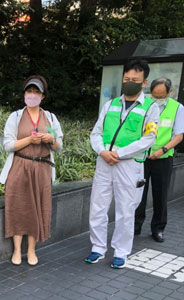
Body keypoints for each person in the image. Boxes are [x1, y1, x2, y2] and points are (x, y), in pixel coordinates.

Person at [85, 59, 159, 269]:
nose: (129, 82)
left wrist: (118, 153)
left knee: (126, 210)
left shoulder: (150, 108)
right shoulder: (110, 105)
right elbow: (96, 132)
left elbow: (148, 139)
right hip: (104, 162)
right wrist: (102, 151)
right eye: (127, 79)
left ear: (144, 82)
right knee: (97, 207)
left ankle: (121, 251)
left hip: (128, 165)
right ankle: (97, 248)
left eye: (135, 80)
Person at [0, 75, 63, 266]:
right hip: (20, 166)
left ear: (43, 96)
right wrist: (29, 140)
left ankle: (32, 250)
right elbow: (8, 145)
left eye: (36, 92)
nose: (32, 95)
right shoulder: (16, 116)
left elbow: (58, 144)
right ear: (24, 93)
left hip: (42, 168)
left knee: (38, 208)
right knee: (17, 207)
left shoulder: (50, 118)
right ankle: (17, 250)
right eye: (29, 91)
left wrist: (50, 140)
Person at [135, 78, 184, 242]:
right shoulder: (144, 105)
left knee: (160, 195)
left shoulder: (177, 108)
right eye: (154, 95)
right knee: (138, 194)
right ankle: (135, 227)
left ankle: (158, 228)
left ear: (169, 93)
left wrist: (163, 150)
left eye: (161, 96)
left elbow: (179, 135)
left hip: (163, 158)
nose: (157, 99)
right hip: (141, 157)